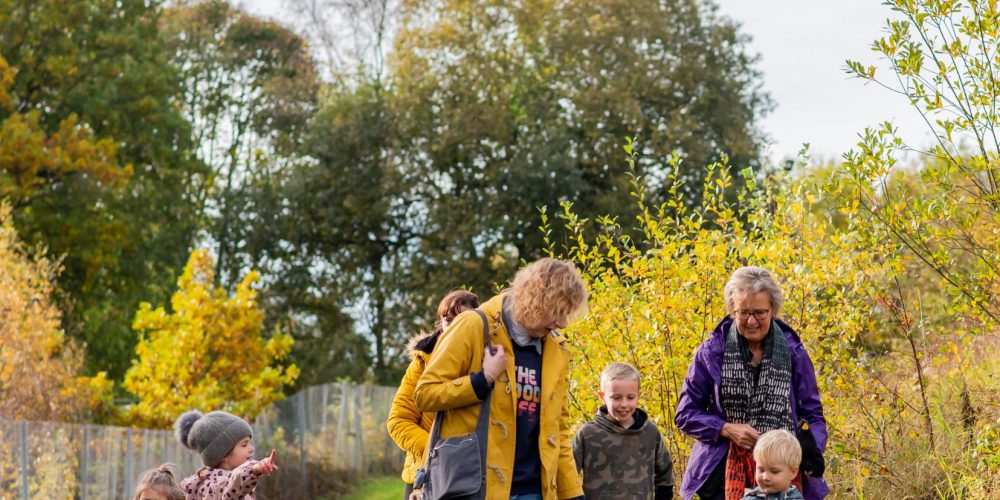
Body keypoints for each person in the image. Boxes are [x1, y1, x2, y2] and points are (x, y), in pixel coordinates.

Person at [413, 257, 589, 500]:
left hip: (533, 492)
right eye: (557, 312)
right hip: (473, 488)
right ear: (535, 299)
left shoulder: (557, 348)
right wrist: (482, 380)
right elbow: (425, 394)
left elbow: (557, 429)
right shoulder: (473, 325)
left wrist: (571, 492)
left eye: (566, 314)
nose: (562, 323)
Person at [674, 266, 828, 500]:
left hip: (782, 472)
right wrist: (726, 429)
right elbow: (685, 414)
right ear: (732, 309)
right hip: (722, 471)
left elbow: (813, 413)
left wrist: (807, 450)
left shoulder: (794, 353)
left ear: (773, 310)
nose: (751, 321)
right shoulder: (712, 351)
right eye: (743, 312)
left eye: (760, 313)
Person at [387, 289, 480, 500]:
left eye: (463, 320)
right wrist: (438, 451)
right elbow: (398, 420)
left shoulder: (486, 364)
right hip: (423, 477)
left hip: (471, 478)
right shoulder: (421, 363)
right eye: (448, 319)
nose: (455, 326)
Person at [572, 362, 674, 499]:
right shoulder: (588, 433)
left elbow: (665, 476)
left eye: (630, 397)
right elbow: (568, 476)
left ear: (639, 395)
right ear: (602, 396)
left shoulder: (650, 432)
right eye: (616, 397)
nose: (624, 404)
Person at [174, 410, 279, 499]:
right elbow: (233, 484)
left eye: (250, 443)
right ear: (222, 454)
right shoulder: (215, 484)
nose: (252, 449)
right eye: (244, 445)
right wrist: (254, 470)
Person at [741, 430, 804, 500]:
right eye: (761, 470)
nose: (765, 477)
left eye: (774, 472)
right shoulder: (750, 497)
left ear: (793, 472)